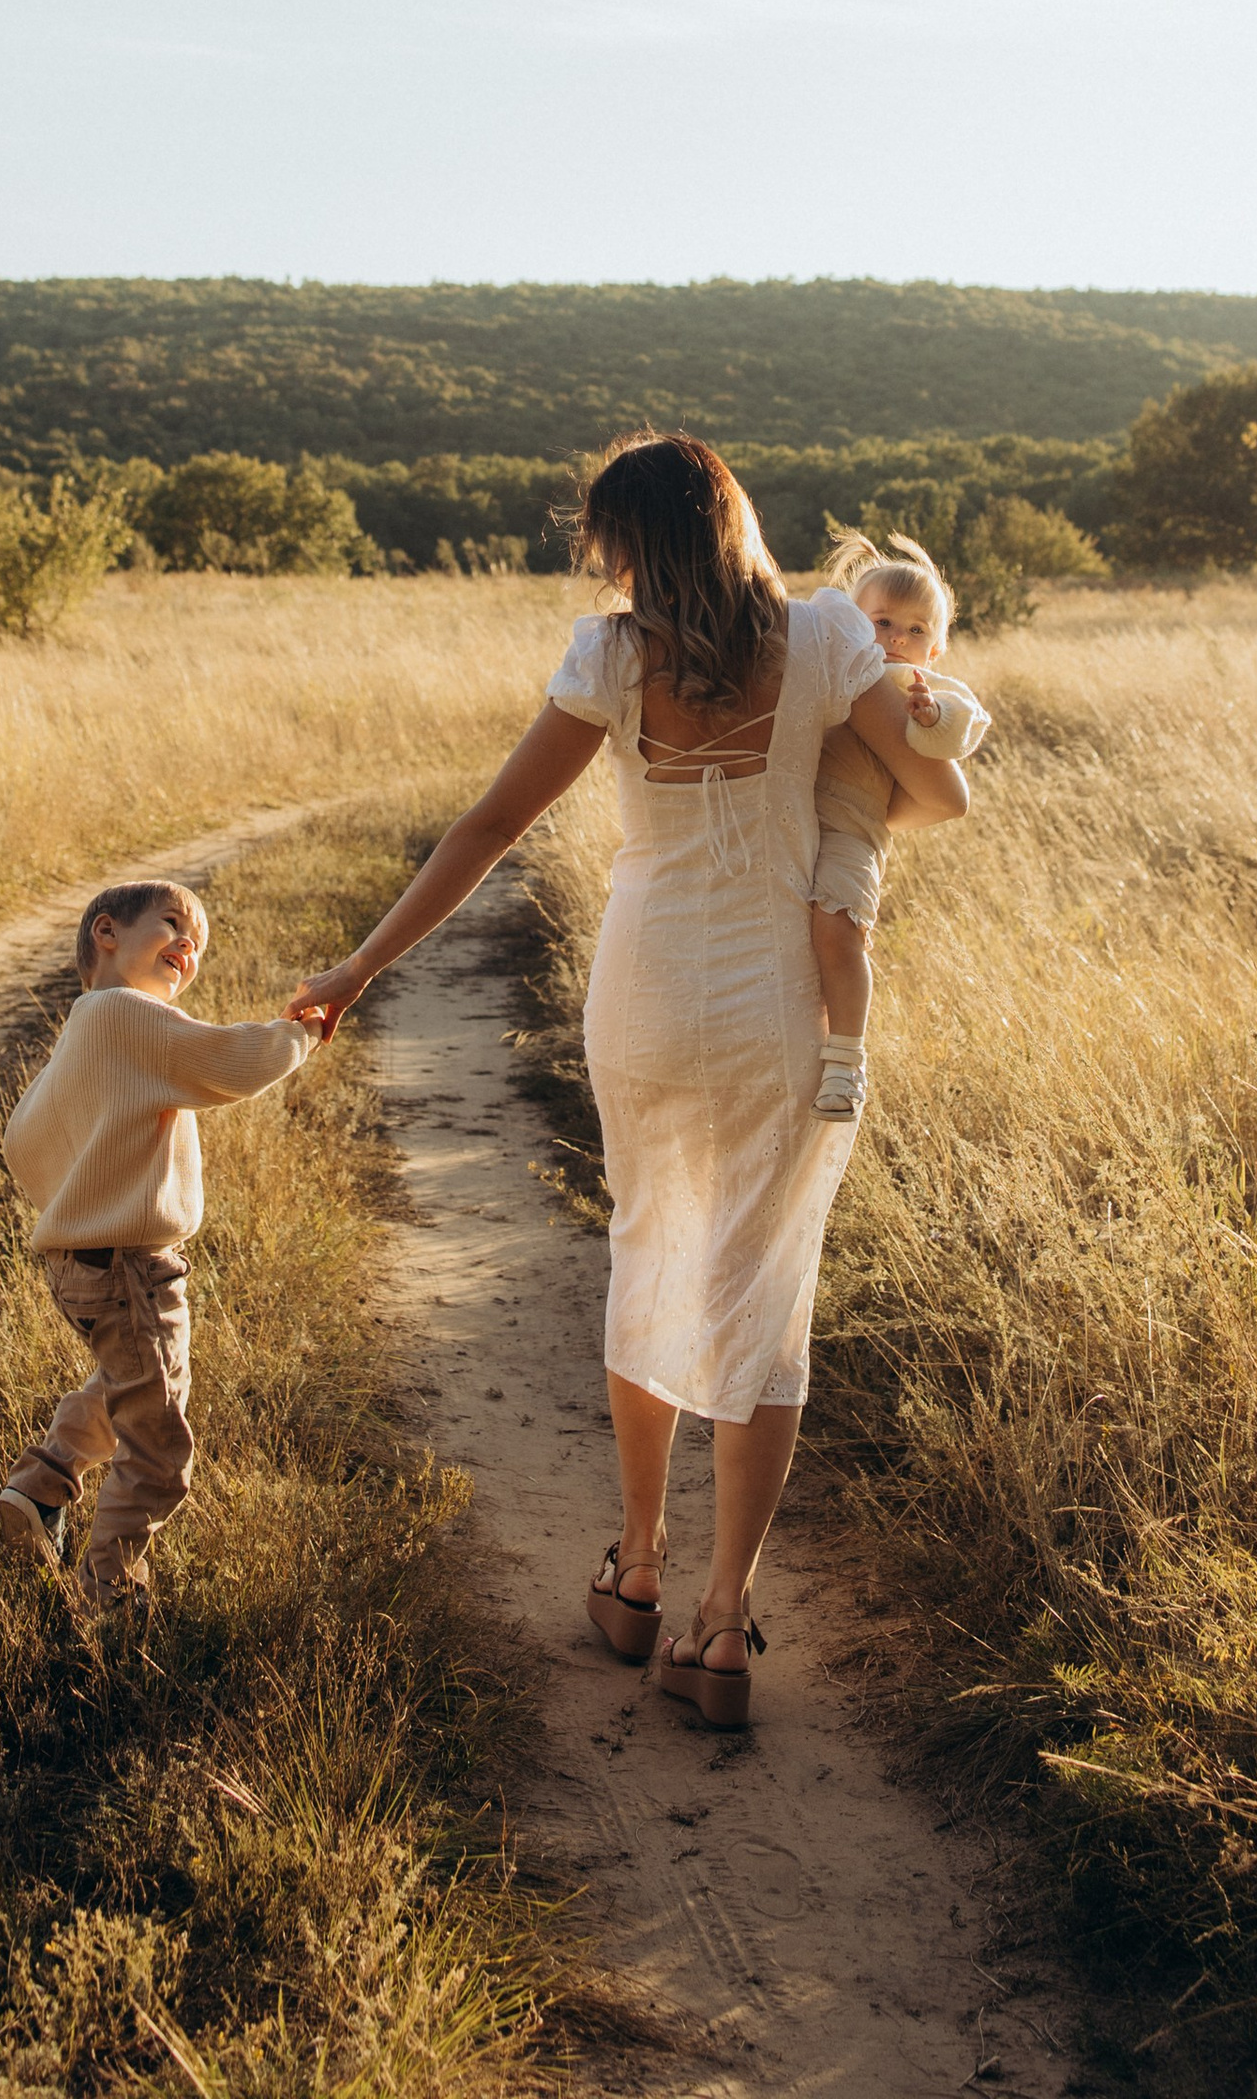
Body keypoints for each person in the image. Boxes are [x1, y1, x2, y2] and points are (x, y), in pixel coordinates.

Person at [287, 431, 969, 1730]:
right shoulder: (827, 638)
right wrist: (857, 783)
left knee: (653, 1250)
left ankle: (639, 1565)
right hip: (776, 995)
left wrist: (361, 968)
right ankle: (722, 1622)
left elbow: (490, 825)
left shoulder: (612, 655)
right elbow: (934, 792)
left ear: (632, 543)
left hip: (645, 995)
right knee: (767, 1293)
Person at [0, 879, 313, 1597]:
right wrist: (305, 1031)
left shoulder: (85, 1027)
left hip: (85, 1268)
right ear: (107, 933)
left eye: (196, 943)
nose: (188, 946)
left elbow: (23, 1141)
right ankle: (108, 1595)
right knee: (159, 1450)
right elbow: (231, 1062)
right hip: (134, 1268)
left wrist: (73, 1203)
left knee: (135, 1385)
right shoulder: (129, 1015)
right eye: (173, 924)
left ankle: (43, 1484)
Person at [805, 531, 992, 1122]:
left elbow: (964, 726)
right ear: (851, 623)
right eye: (883, 623)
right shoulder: (831, 664)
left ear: (935, 650)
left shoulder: (924, 689)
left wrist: (930, 716)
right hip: (795, 818)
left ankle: (845, 1061)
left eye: (916, 632)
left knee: (839, 931)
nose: (896, 640)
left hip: (851, 833)